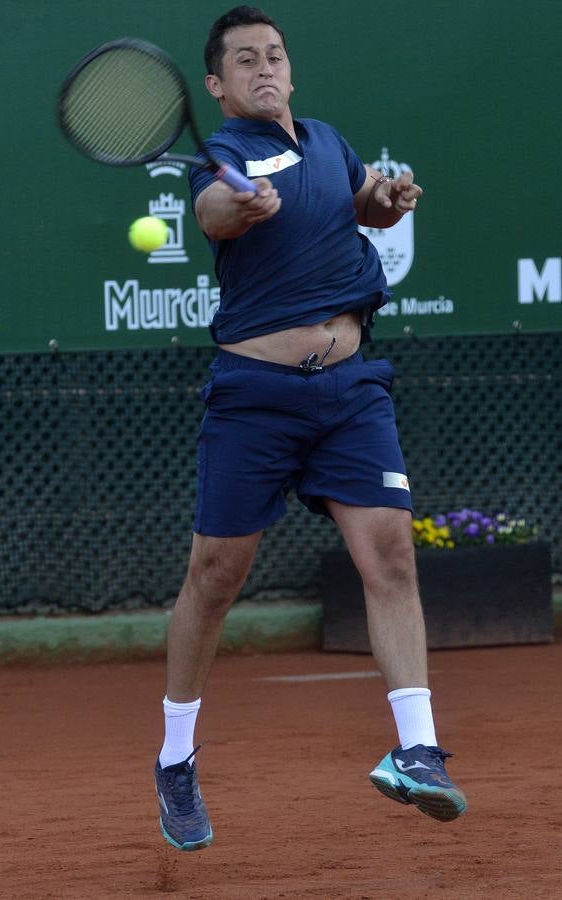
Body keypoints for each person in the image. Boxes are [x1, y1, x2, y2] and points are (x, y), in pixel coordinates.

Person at [154, 5, 467, 852]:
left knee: (391, 554)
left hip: (351, 388)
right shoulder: (223, 159)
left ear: (289, 72)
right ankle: (176, 760)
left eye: (275, 56)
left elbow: (356, 202)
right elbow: (215, 214)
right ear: (217, 87)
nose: (265, 68)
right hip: (256, 394)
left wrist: (383, 199)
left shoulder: (327, 140)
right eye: (244, 60)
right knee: (216, 576)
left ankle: (418, 752)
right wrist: (237, 205)